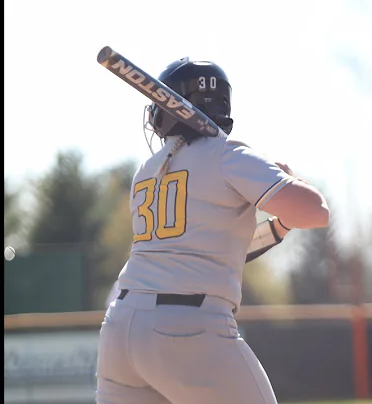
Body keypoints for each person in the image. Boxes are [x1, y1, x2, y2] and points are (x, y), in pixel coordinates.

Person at [95, 56, 330, 404]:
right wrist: (289, 178)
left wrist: (278, 227)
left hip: (120, 330)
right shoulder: (227, 154)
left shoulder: (146, 171)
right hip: (187, 327)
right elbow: (316, 211)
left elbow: (215, 247)